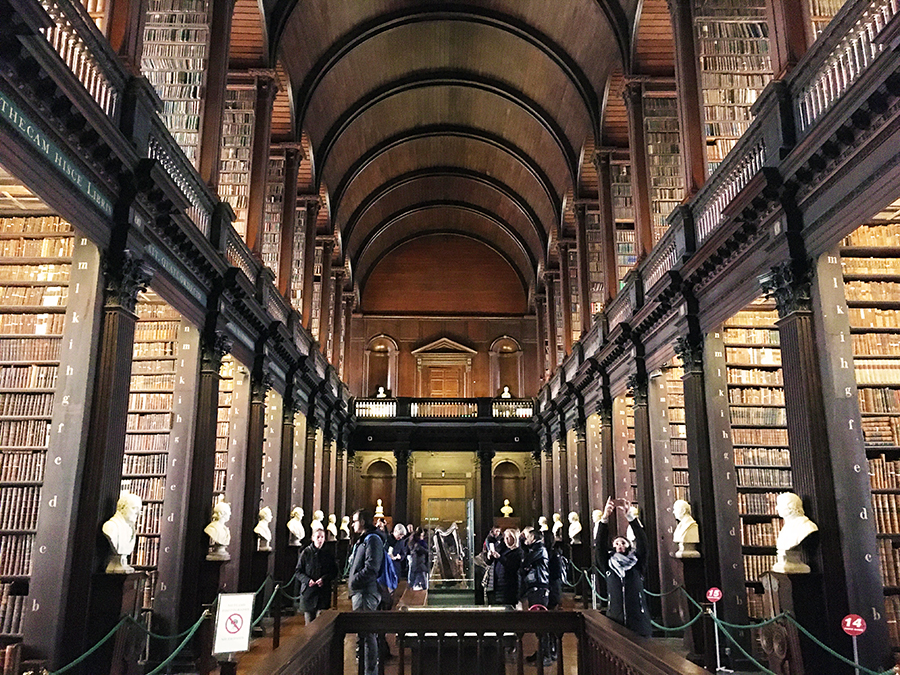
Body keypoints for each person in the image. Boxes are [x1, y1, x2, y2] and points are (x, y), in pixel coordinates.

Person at [596, 497, 652, 637]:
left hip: (638, 619)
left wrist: (630, 517)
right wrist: (605, 518)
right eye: (617, 543)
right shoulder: (608, 566)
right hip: (615, 618)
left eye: (623, 543)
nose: (620, 545)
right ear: (613, 547)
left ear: (628, 546)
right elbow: (599, 547)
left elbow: (643, 543)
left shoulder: (637, 564)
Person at [348, 508, 384, 675]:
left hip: (365, 593)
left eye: (354, 521)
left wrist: (354, 582)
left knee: (368, 635)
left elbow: (372, 568)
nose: (352, 524)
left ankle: (370, 671)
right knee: (363, 635)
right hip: (360, 592)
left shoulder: (372, 540)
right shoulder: (363, 540)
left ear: (362, 522)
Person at [519, 526, 552, 667]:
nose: (526, 539)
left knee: (542, 622)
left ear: (534, 538)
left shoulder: (539, 549)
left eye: (528, 537)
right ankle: (541, 651)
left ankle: (546, 655)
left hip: (540, 588)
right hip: (534, 587)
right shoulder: (535, 549)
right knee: (537, 622)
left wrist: (525, 564)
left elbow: (525, 561)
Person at [296, 527, 337, 624]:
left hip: (323, 594)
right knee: (309, 625)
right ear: (313, 538)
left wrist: (324, 579)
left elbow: (334, 571)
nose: (320, 539)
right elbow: (298, 571)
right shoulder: (306, 553)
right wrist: (307, 580)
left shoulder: (328, 554)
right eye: (318, 537)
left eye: (322, 537)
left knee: (321, 624)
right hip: (308, 594)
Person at [773, 492, 818, 573]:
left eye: (779, 505)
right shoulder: (785, 528)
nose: (776, 508)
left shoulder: (806, 526)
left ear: (790, 507)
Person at [102, 491, 142, 573]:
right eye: (134, 508)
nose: (138, 513)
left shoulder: (131, 528)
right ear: (122, 508)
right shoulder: (110, 527)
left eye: (139, 510)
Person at [493, 528, 521, 607]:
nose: (506, 540)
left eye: (509, 538)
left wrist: (500, 557)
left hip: (509, 586)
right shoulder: (503, 550)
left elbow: (512, 566)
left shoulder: (518, 552)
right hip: (499, 585)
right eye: (505, 538)